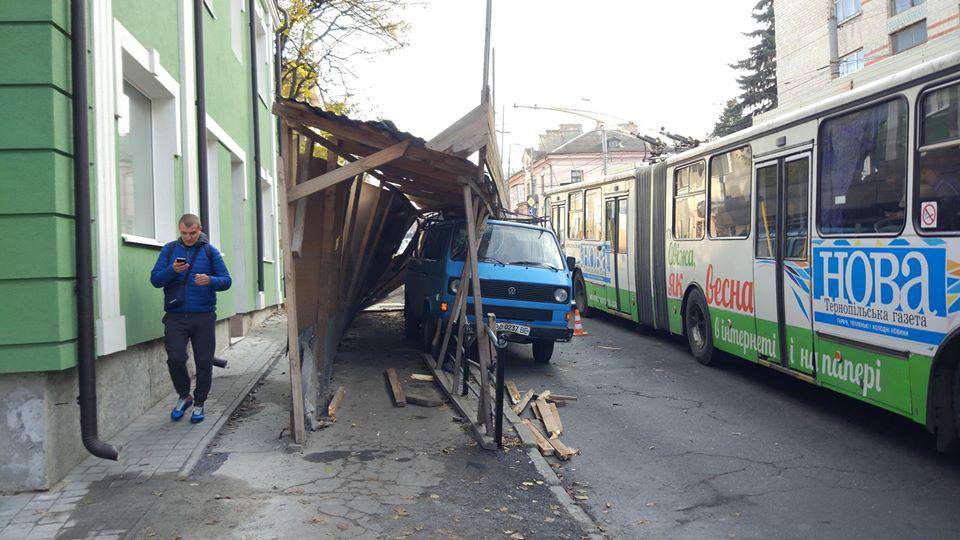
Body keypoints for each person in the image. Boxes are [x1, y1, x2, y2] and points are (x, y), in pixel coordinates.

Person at [150, 214, 231, 423]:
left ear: (200, 229)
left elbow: (226, 280)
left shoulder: (209, 251)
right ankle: (184, 395)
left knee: (203, 361)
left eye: (192, 233)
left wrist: (210, 280)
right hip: (175, 316)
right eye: (184, 233)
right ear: (179, 230)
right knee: (175, 358)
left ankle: (199, 403)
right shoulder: (169, 250)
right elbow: (155, 279)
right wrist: (172, 270)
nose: (188, 237)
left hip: (203, 316)